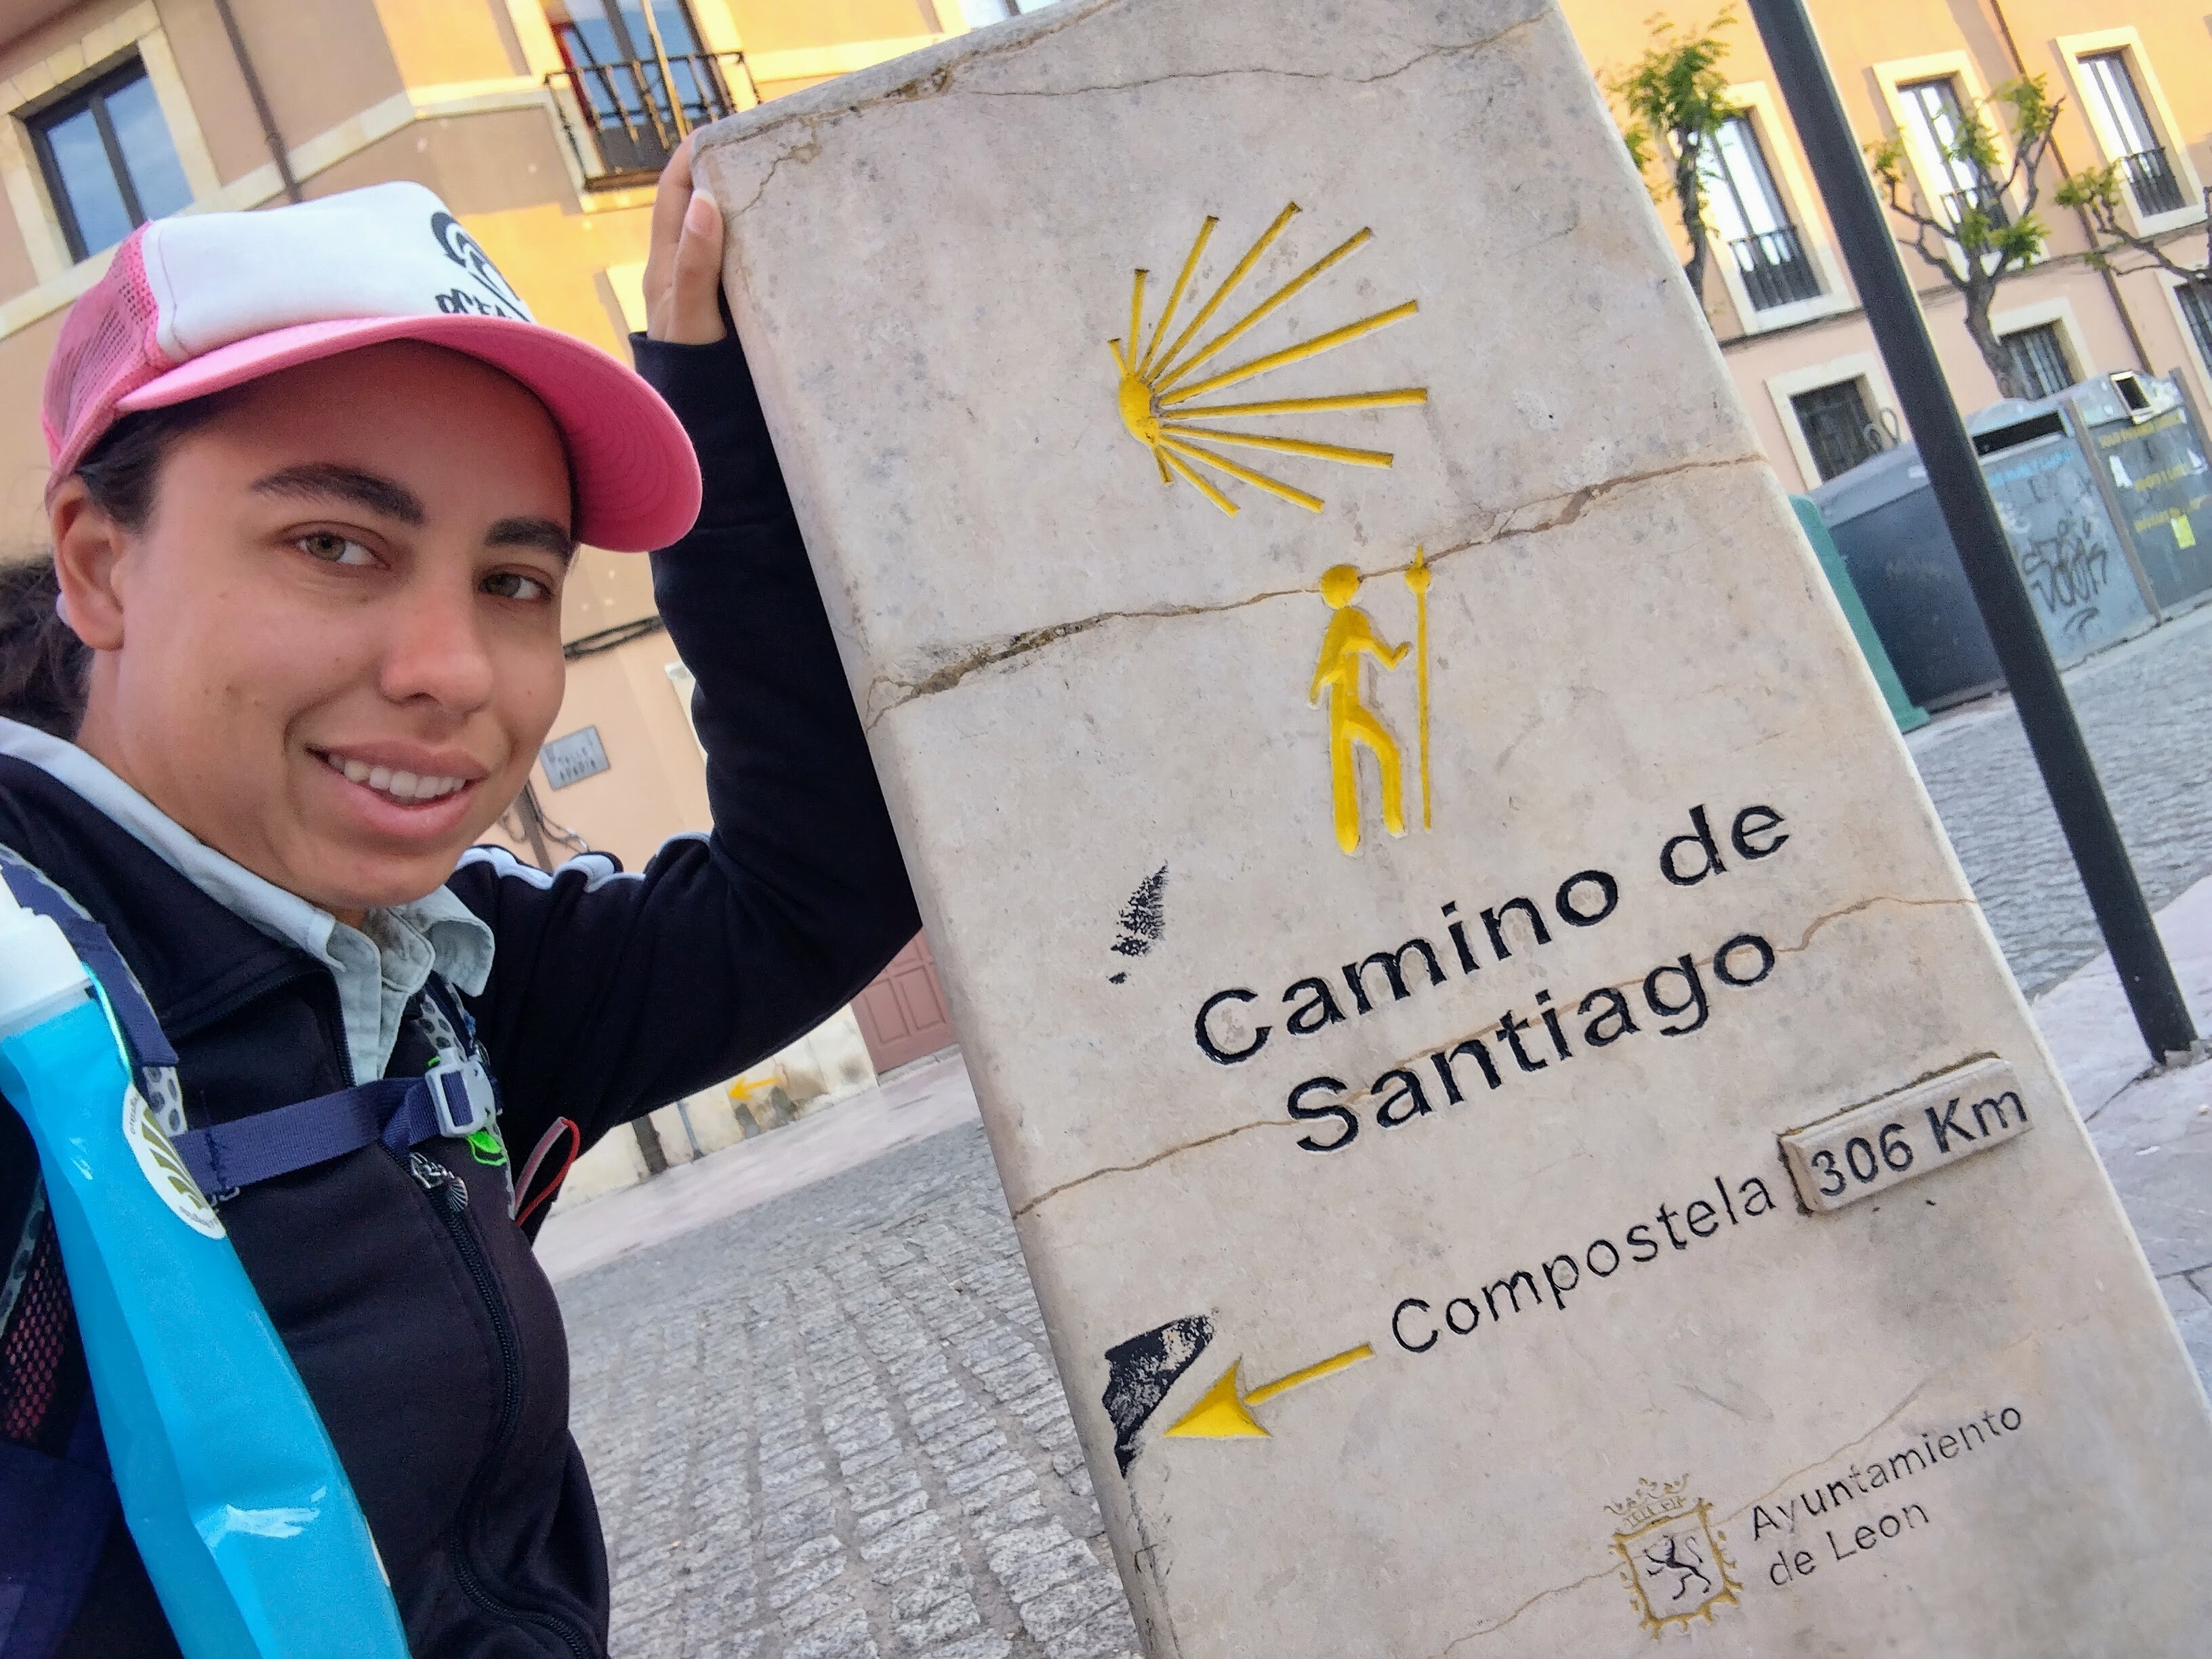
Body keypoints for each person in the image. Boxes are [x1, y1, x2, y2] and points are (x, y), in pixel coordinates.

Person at [0, 138, 918, 1658]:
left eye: (515, 580)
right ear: (101, 563)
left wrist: (722, 421)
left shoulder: (438, 974)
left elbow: (805, 889)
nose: (453, 672)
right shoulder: (30, 1025)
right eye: (335, 545)